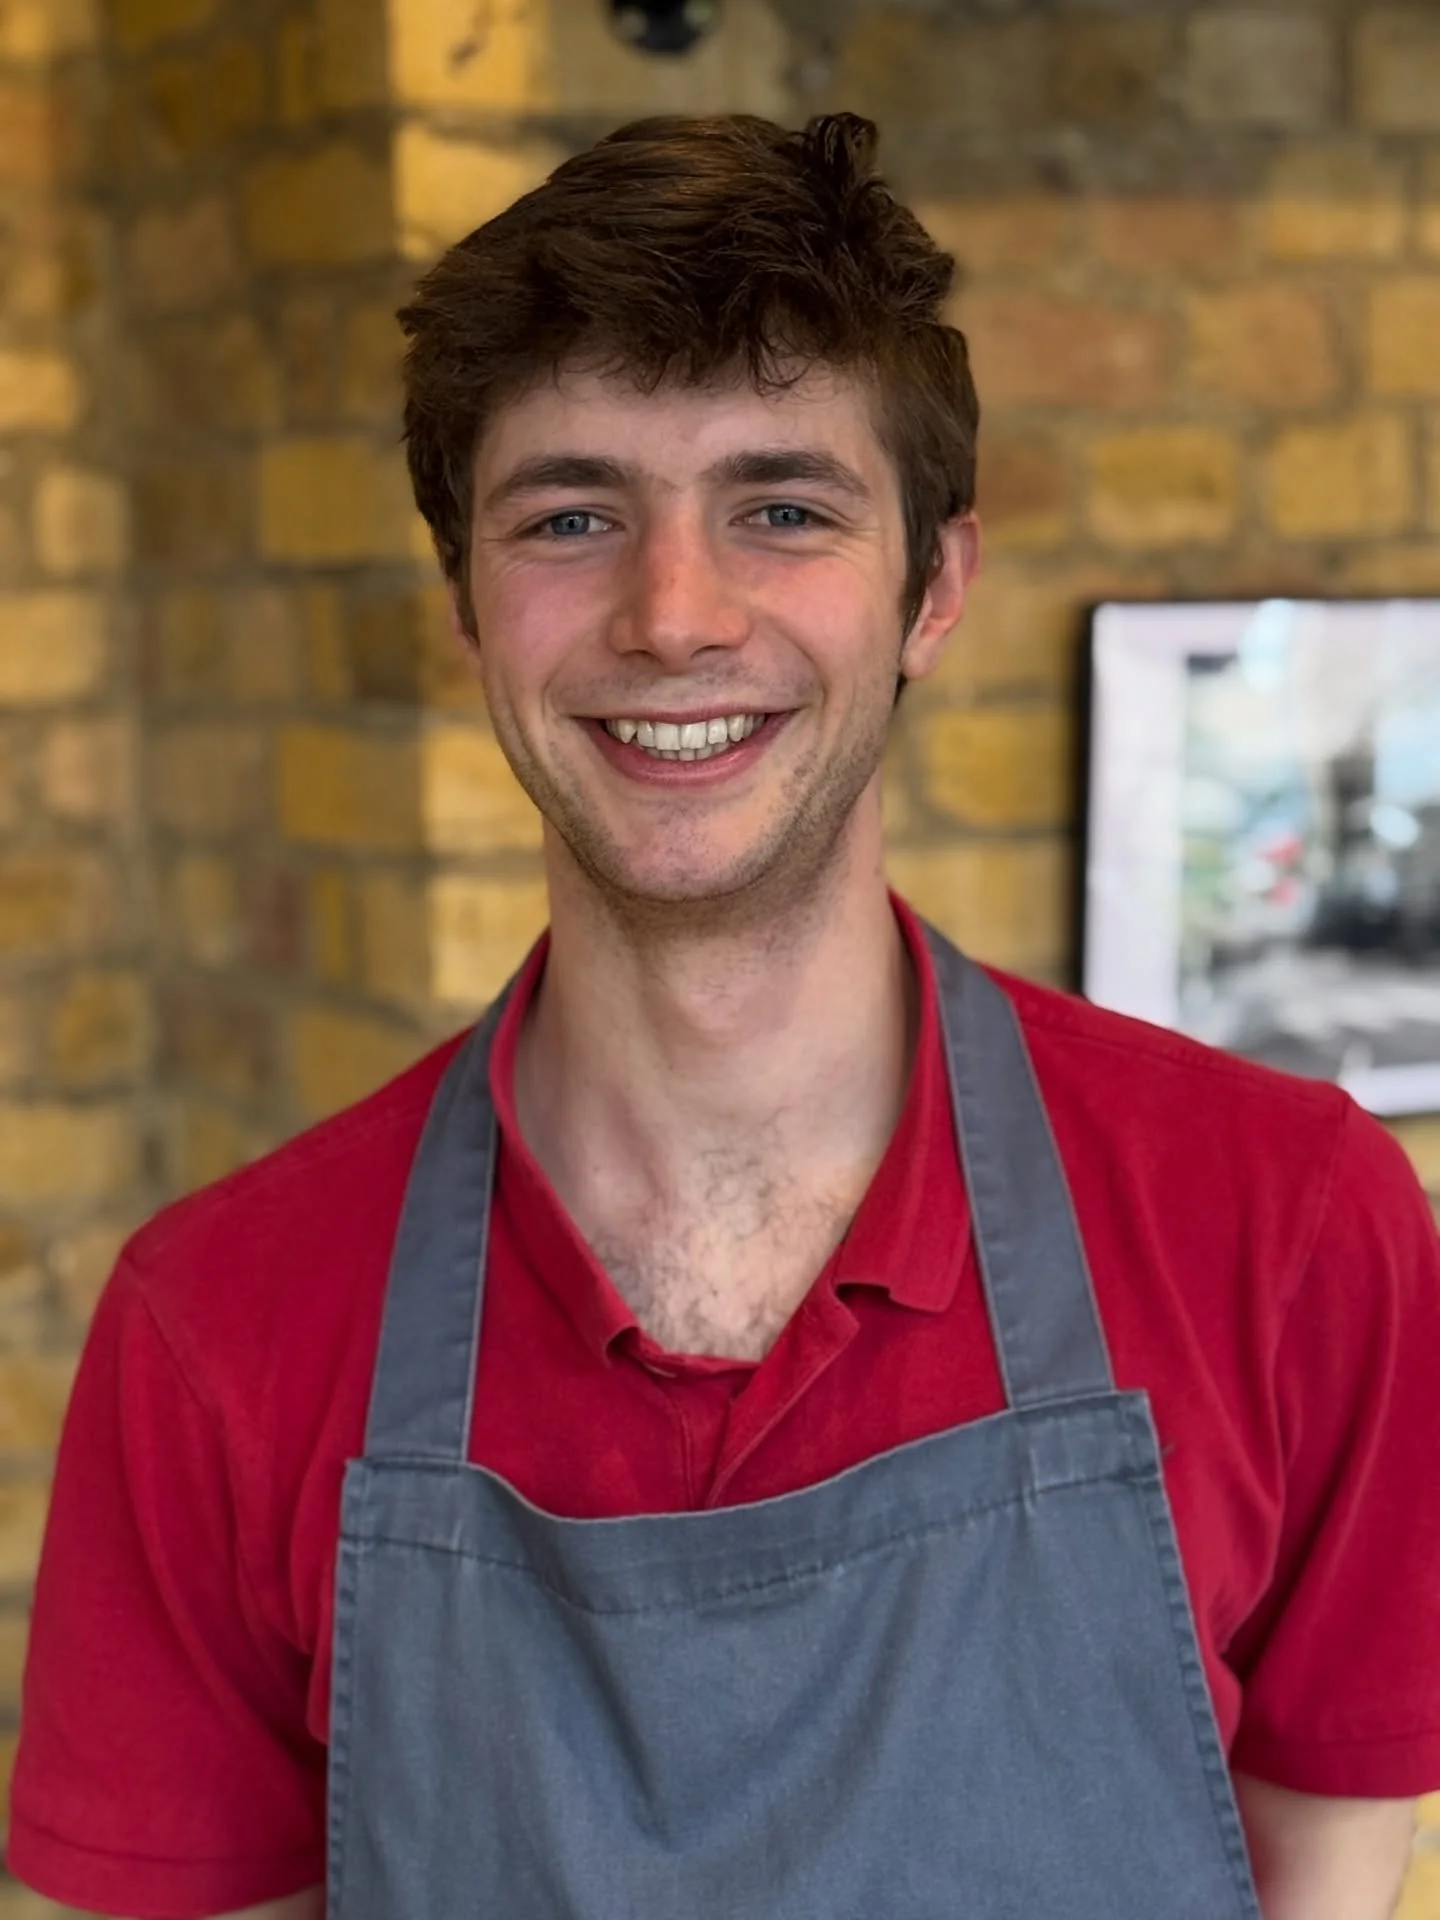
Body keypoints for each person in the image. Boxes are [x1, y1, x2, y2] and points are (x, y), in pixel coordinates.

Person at [9, 113, 1440, 1920]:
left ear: (936, 588)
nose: (673, 614)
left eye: (780, 508)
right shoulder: (217, 1332)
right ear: (464, 600)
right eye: (571, 513)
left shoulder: (1292, 1226)